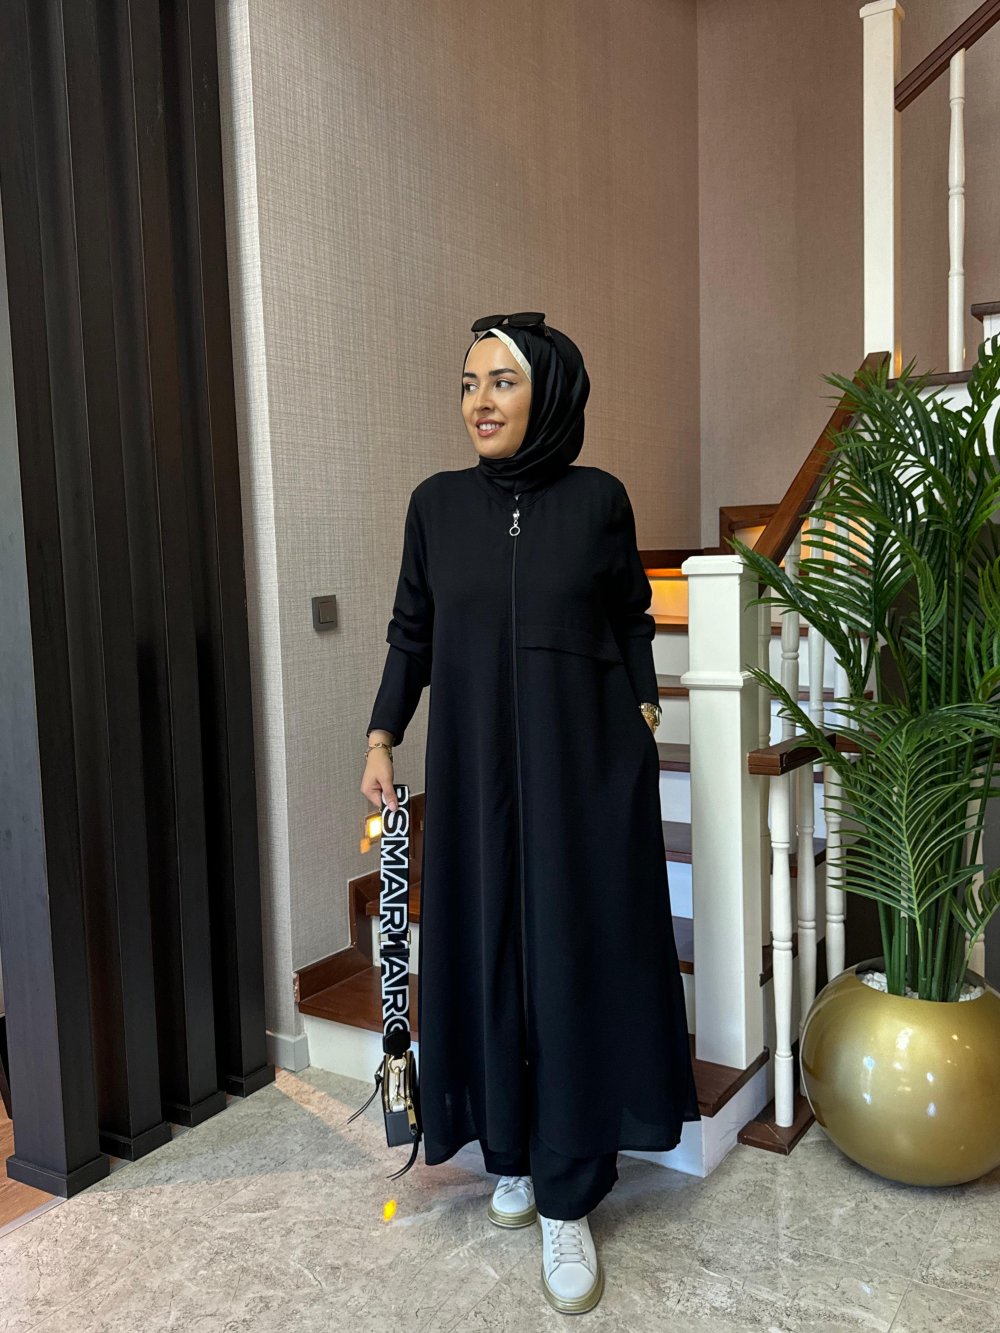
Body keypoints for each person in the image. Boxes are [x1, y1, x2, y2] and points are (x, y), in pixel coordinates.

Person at [362, 312, 700, 1315]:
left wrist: (643, 717)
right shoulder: (436, 506)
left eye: (501, 382)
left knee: (567, 965)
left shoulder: (598, 501)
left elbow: (629, 618)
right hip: (473, 779)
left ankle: (567, 1192)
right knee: (488, 954)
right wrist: (381, 737)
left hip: (580, 774)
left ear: (547, 393)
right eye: (469, 383)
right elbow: (411, 633)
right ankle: (506, 1151)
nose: (480, 401)